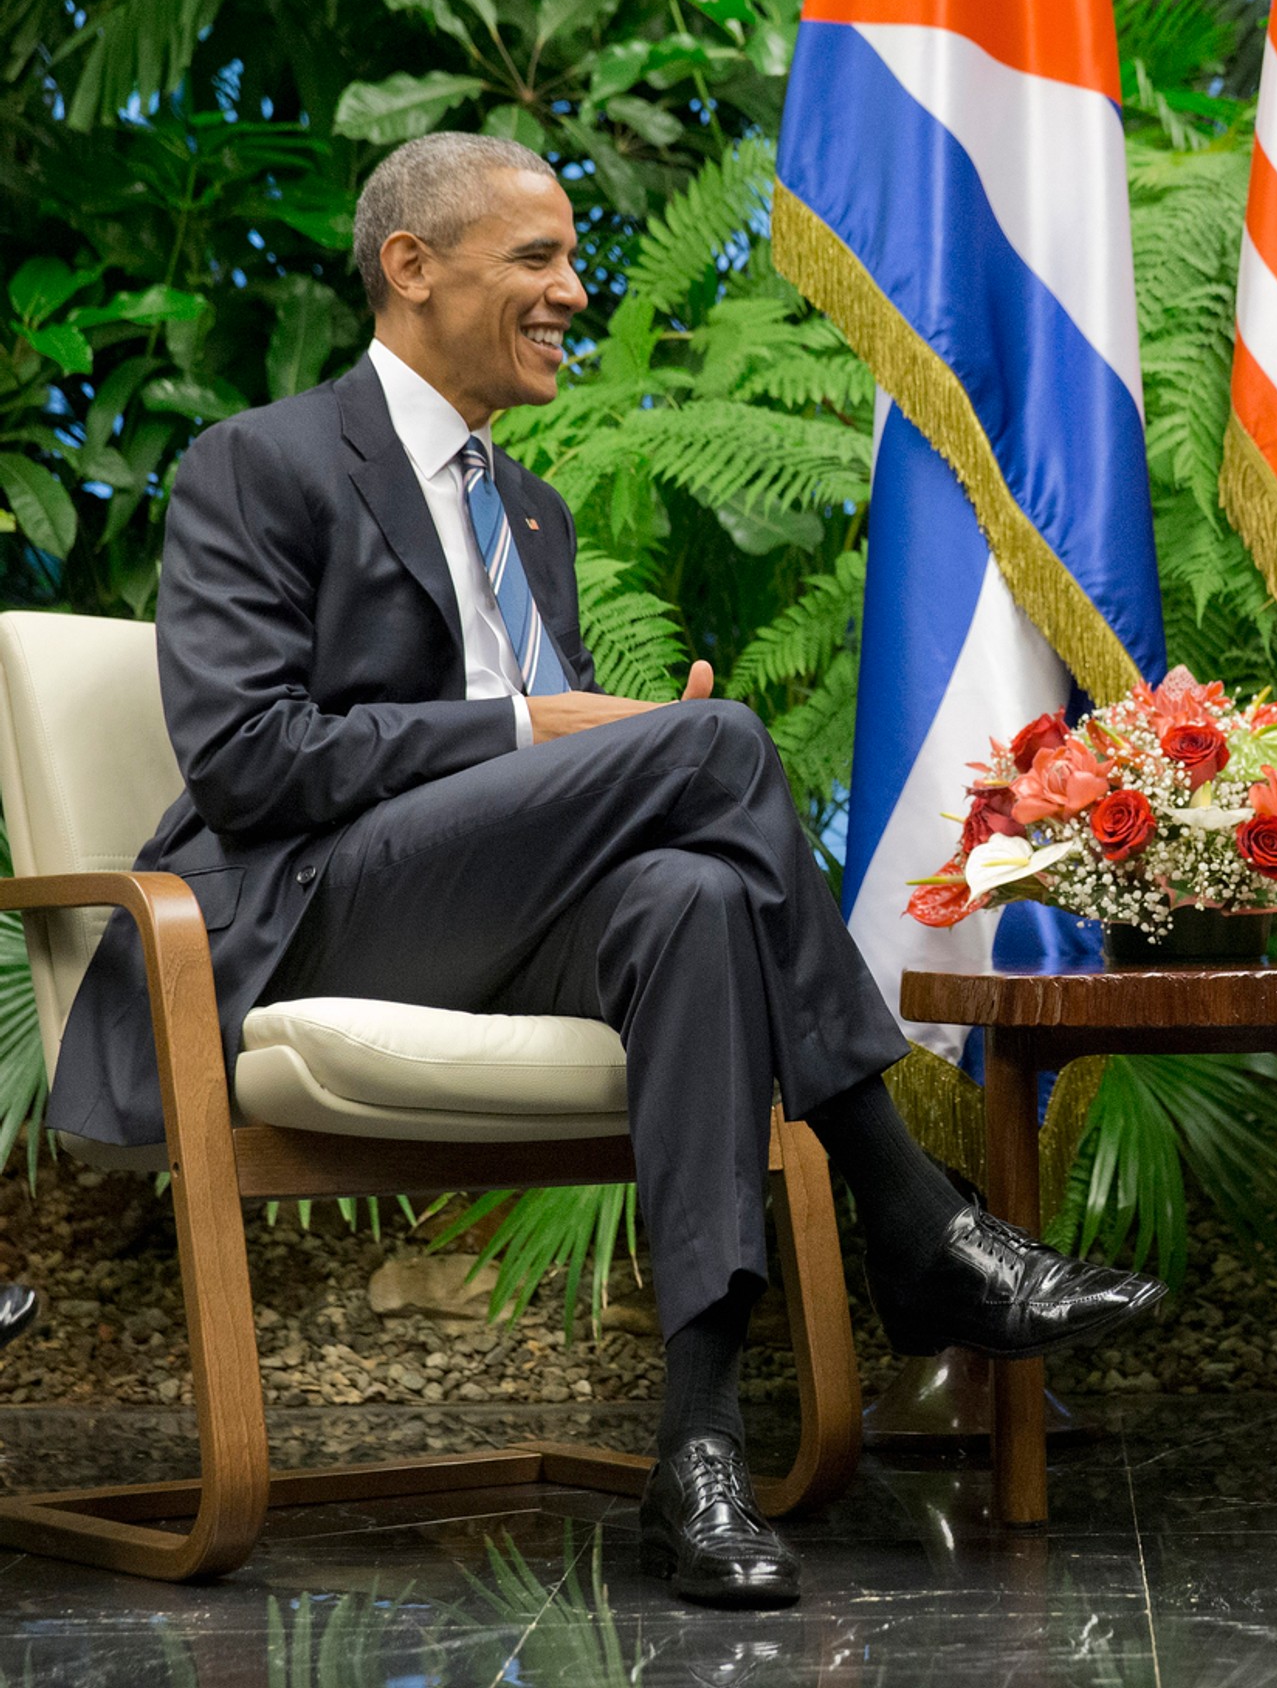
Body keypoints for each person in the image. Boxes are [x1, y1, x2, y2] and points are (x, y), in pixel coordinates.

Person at [45, 132, 1165, 1608]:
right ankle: (910, 1210)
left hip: (495, 921)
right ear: (411, 267)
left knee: (696, 896)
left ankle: (696, 1458)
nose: (573, 289)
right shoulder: (259, 464)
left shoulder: (530, 512)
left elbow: (557, 800)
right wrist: (544, 729)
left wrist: (622, 756)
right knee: (717, 749)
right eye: (538, 257)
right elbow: (249, 761)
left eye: (572, 259)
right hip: (306, 916)